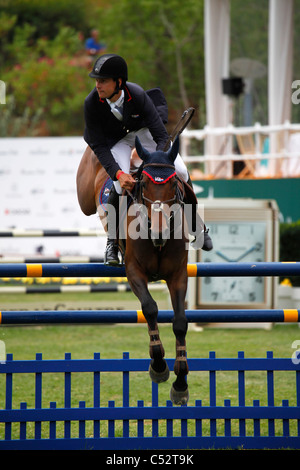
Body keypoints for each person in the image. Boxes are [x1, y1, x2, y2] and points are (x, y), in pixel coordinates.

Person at [83, 53, 212, 265]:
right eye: (97, 80)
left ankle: (196, 224)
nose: (98, 85)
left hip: (144, 133)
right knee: (117, 185)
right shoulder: (92, 103)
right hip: (117, 140)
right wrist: (119, 173)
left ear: (119, 82)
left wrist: (151, 166)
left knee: (180, 170)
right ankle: (112, 244)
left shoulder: (137, 95)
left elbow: (161, 137)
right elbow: (99, 146)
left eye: (103, 80)